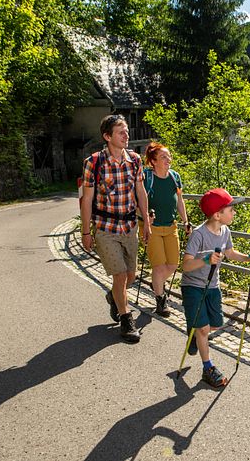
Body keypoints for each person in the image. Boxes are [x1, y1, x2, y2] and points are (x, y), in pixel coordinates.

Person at [181, 188, 250, 387]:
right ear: (217, 215)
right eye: (231, 210)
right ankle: (208, 368)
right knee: (204, 329)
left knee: (215, 324)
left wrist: (248, 258)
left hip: (212, 286)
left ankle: (194, 331)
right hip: (193, 286)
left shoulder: (225, 231)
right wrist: (206, 259)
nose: (234, 213)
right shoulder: (198, 235)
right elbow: (186, 265)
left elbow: (230, 252)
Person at [80, 114, 150, 343]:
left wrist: (146, 222)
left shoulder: (135, 160)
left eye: (127, 131)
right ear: (107, 136)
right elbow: (87, 199)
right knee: (119, 276)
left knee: (130, 276)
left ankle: (114, 297)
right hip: (105, 227)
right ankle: (126, 319)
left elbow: (140, 192)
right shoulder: (94, 162)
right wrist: (86, 232)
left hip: (129, 226)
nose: (126, 135)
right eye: (121, 132)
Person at [139, 142, 191, 317]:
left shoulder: (175, 177)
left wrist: (186, 220)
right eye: (163, 157)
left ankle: (157, 283)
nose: (168, 159)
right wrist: (146, 216)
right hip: (151, 227)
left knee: (173, 264)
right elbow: (137, 201)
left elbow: (179, 201)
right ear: (153, 161)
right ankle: (161, 299)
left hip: (171, 226)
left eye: (169, 156)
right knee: (159, 267)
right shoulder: (147, 177)